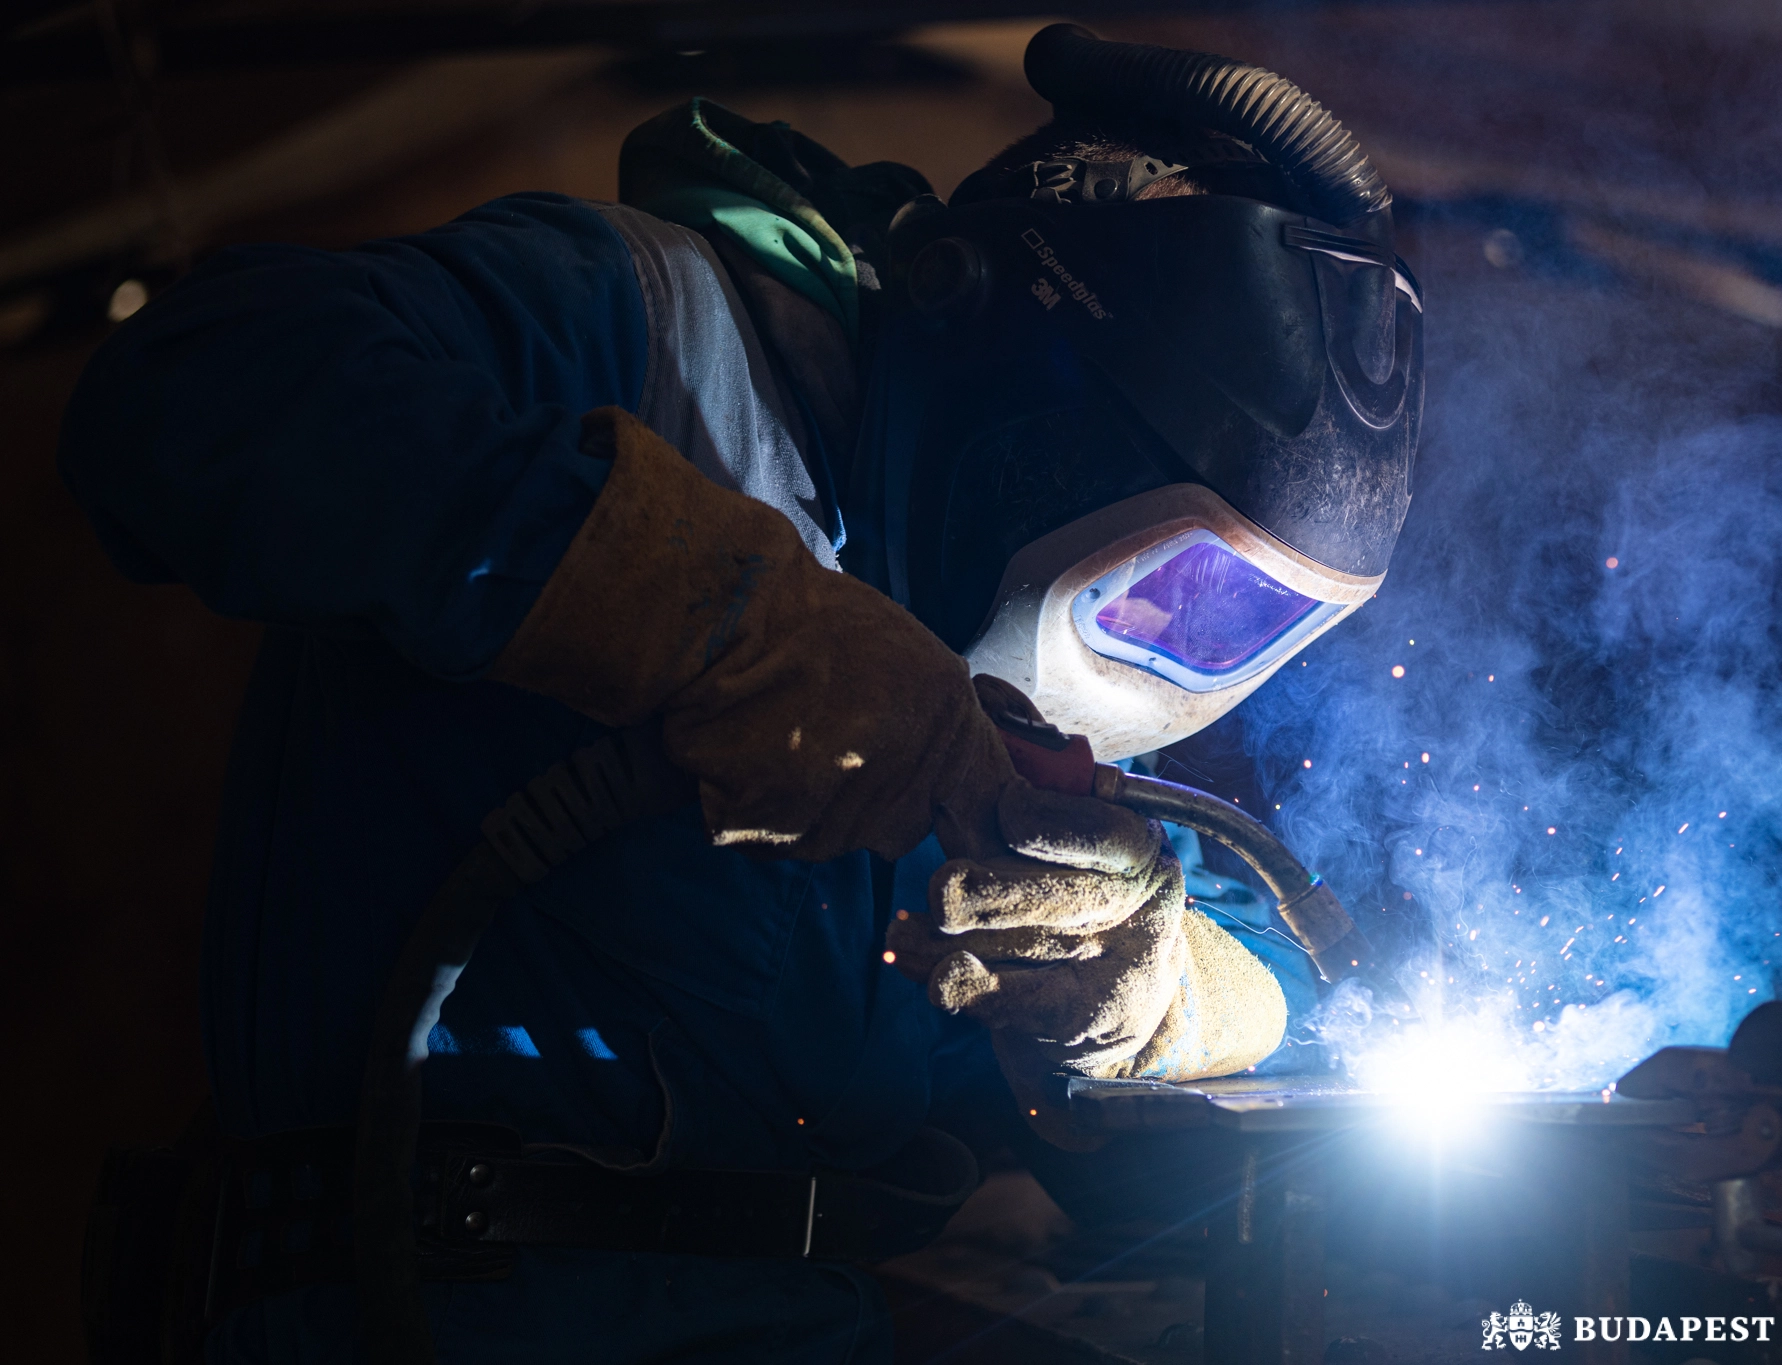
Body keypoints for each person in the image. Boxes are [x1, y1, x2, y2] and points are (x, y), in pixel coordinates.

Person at [60, 24, 1422, 1365]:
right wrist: (716, 619)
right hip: (423, 1306)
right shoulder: (640, 328)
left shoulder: (991, 657)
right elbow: (190, 388)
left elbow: (1265, 964)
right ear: (1035, 413)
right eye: (1166, 585)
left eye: (1234, 622)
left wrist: (1176, 992)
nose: (1162, 650)